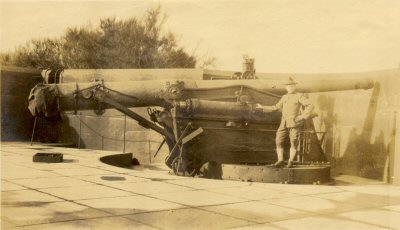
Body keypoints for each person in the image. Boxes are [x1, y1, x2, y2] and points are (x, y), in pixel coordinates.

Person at [257, 77, 314, 168]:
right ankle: (280, 160)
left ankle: (290, 161)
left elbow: (310, 105)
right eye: (288, 86)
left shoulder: (299, 96)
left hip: (295, 123)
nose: (290, 88)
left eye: (292, 86)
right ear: (286, 88)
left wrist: (302, 116)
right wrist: (262, 107)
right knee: (278, 140)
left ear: (295, 87)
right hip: (284, 123)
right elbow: (276, 107)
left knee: (294, 141)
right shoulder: (284, 97)